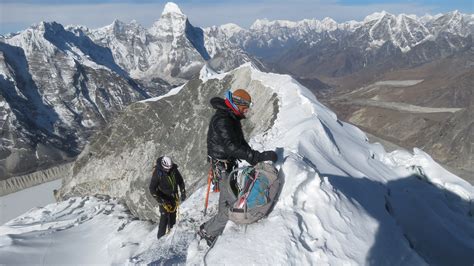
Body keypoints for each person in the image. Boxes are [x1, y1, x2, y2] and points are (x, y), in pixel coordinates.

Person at [198, 89, 278, 246]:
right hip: (223, 166)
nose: (247, 111)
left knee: (228, 201)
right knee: (232, 202)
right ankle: (208, 231)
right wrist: (256, 157)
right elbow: (231, 146)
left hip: (225, 165)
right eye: (245, 107)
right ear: (237, 104)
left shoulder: (230, 117)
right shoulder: (223, 119)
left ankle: (209, 228)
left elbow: (239, 143)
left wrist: (255, 158)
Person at [149, 156, 186, 239]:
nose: (168, 170)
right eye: (166, 169)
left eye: (169, 168)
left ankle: (171, 234)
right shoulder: (157, 173)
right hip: (163, 198)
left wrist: (183, 192)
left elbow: (180, 181)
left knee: (173, 216)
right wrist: (160, 199)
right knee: (164, 218)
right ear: (162, 166)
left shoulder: (174, 170)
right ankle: (160, 238)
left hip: (173, 197)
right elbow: (152, 188)